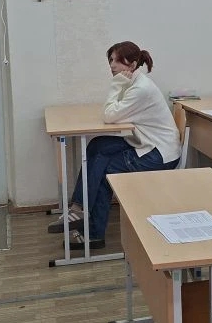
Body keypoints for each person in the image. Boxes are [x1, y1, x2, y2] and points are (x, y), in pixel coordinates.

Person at [48, 41, 181, 248]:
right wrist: (119, 85)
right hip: (145, 144)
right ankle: (79, 209)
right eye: (111, 60)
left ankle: (92, 230)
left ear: (133, 64)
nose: (112, 65)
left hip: (158, 154)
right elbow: (113, 111)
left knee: (103, 170)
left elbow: (109, 115)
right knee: (97, 145)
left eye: (118, 60)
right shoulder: (132, 83)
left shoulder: (141, 89)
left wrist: (116, 85)